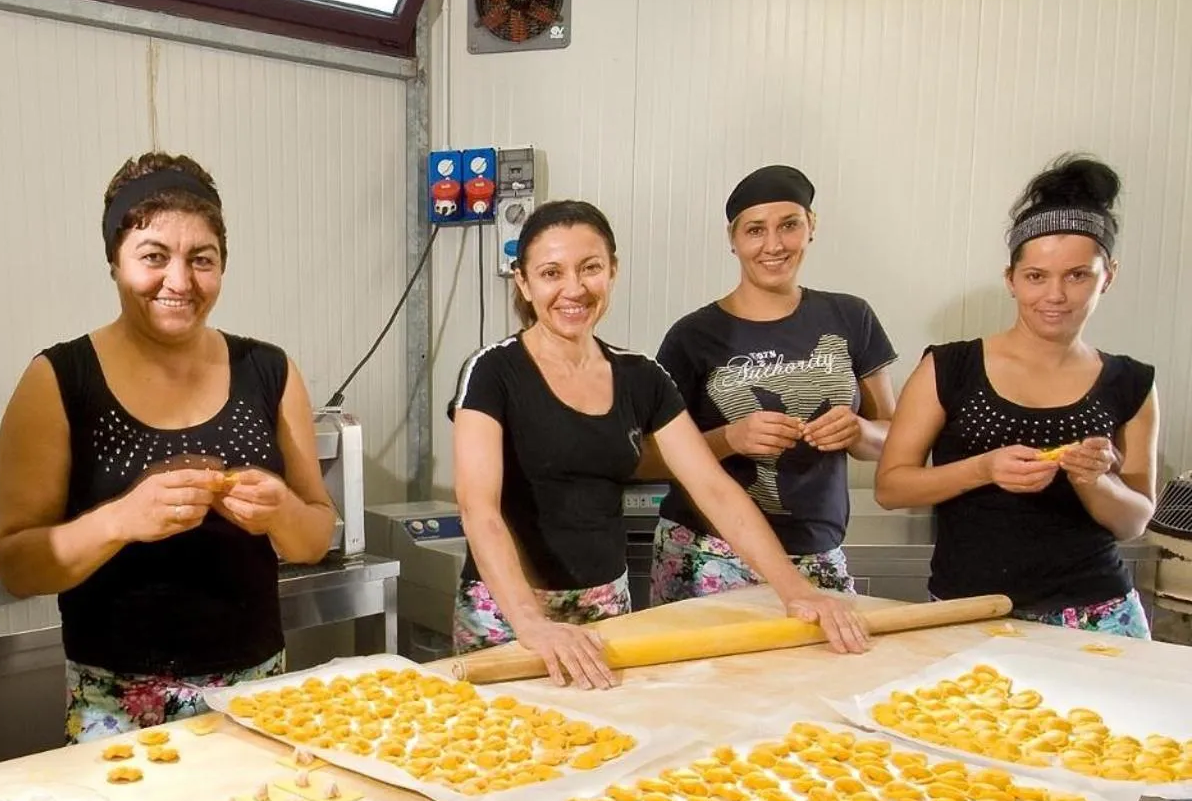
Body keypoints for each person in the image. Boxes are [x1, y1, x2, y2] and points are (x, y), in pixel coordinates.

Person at [451, 200, 868, 688]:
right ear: (523, 282)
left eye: (590, 268)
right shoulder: (492, 371)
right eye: (550, 273)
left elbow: (712, 487)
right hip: (507, 609)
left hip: (609, 606)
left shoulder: (641, 376)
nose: (573, 289)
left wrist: (797, 591)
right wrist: (532, 623)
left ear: (613, 271)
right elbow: (480, 508)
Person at [0, 153, 335, 741]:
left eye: (202, 260)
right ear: (114, 262)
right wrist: (122, 519)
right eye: (153, 256)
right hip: (117, 704)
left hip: (258, 691)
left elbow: (315, 537)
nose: (180, 282)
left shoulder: (269, 370)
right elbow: (19, 566)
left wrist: (279, 509)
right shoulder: (59, 379)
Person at [876, 155, 1159, 637]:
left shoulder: (1131, 382)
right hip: (972, 611)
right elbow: (892, 486)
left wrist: (1094, 481)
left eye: (1077, 275)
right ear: (1011, 279)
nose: (1056, 295)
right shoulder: (950, 367)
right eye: (1036, 277)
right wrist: (983, 469)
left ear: (1107, 275)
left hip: (1098, 615)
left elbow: (1134, 521)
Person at [651, 165, 897, 601]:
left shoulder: (851, 316)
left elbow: (894, 440)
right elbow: (650, 457)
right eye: (755, 230)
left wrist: (860, 431)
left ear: (811, 227)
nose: (773, 245)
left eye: (789, 225)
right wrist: (731, 438)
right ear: (733, 239)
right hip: (711, 554)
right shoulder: (692, 336)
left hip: (815, 550)